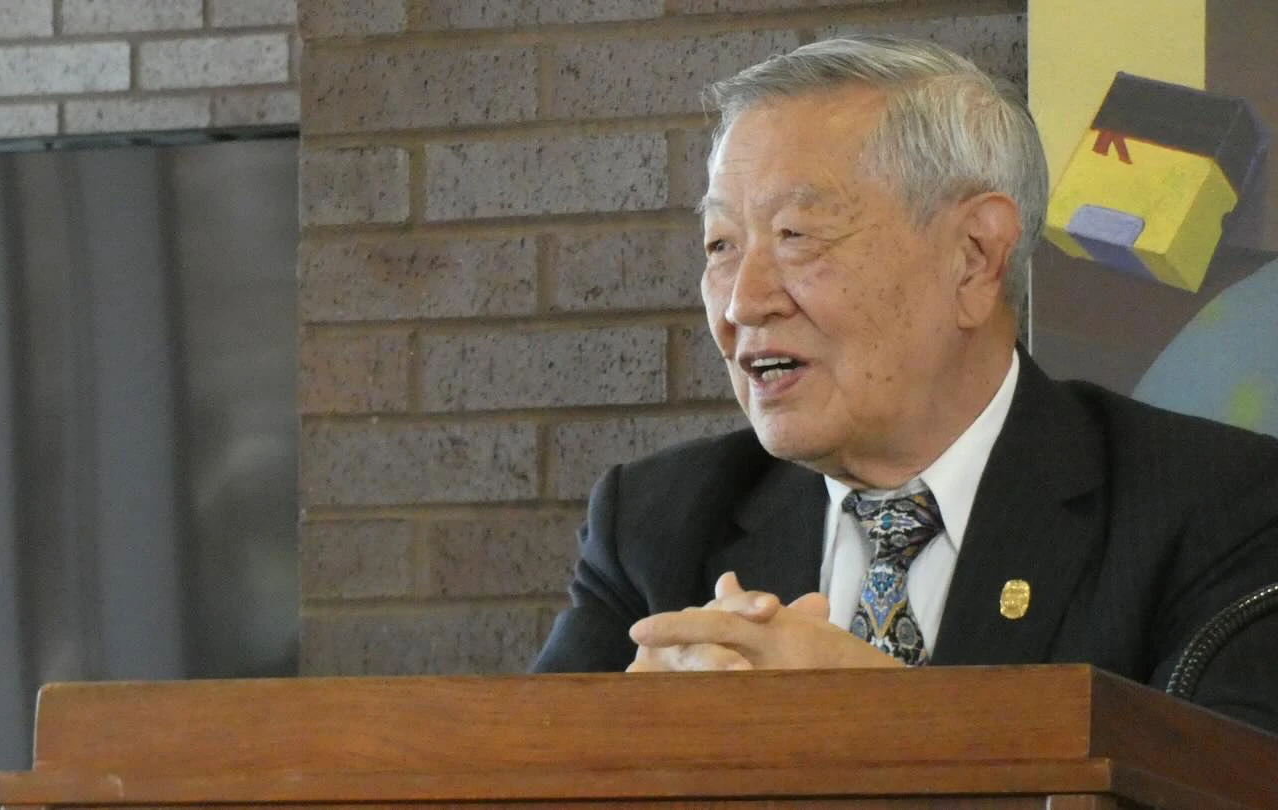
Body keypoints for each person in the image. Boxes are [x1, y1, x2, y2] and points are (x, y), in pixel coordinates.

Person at [531, 35, 1278, 734]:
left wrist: (868, 718)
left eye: (796, 235)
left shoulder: (1222, 510)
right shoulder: (656, 525)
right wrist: (632, 748)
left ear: (974, 258)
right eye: (721, 245)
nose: (742, 303)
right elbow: (516, 775)